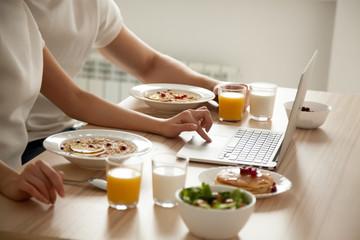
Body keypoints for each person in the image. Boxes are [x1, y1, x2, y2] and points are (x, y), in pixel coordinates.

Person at [0, 1, 212, 204]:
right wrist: (8, 179)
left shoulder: (21, 14)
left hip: (17, 164)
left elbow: (75, 99)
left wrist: (163, 125)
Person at [22, 0, 229, 163]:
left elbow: (149, 64)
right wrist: (161, 125)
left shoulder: (93, 4)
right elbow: (74, 99)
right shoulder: (16, 10)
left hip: (66, 133)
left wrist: (215, 87)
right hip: (24, 145)